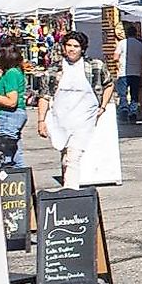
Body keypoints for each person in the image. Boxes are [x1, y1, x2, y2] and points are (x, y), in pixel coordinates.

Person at [38, 30, 108, 187]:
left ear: (82, 49)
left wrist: (102, 107)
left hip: (84, 120)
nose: (71, 49)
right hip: (61, 119)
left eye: (75, 46)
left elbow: (108, 84)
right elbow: (44, 96)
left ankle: (71, 192)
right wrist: (41, 120)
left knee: (73, 157)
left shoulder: (95, 66)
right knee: (65, 157)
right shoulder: (54, 69)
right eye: (68, 45)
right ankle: (68, 188)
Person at [0, 53, 30, 166]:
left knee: (5, 152)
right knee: (15, 152)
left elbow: (12, 101)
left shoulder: (11, 73)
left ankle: (10, 177)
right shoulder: (11, 73)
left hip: (9, 115)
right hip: (9, 116)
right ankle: (20, 177)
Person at [119, 27, 142, 123]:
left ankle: (124, 110)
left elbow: (115, 56)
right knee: (134, 94)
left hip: (123, 72)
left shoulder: (122, 43)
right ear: (136, 33)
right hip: (136, 72)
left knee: (123, 93)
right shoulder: (141, 45)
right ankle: (133, 112)